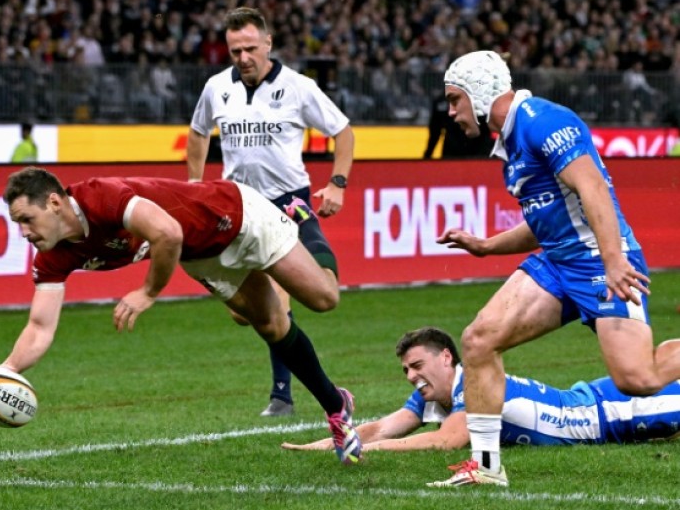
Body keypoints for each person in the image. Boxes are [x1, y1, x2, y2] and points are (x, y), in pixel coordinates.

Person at [0, 166, 363, 465]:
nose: (22, 232)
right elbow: (39, 327)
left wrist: (147, 292)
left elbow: (168, 233)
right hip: (203, 255)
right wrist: (5, 371)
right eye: (17, 223)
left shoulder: (101, 197)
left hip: (237, 216)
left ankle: (303, 219)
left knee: (324, 298)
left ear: (54, 203)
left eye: (26, 219)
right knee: (268, 325)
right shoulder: (52, 255)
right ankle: (336, 406)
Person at [429, 50, 680, 487]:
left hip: (598, 262)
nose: (451, 112)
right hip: (556, 260)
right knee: (479, 340)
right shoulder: (510, 138)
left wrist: (614, 260)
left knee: (638, 377)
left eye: (455, 99)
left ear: (480, 92)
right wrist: (487, 246)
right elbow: (548, 216)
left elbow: (593, 186)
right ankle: (487, 467)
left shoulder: (542, 119)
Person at [186, 7, 354, 417]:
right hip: (238, 208)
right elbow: (197, 133)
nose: (243, 58)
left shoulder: (298, 87)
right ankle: (287, 391)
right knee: (243, 314)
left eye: (249, 49)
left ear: (268, 44)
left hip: (288, 202)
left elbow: (343, 132)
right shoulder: (216, 88)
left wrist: (338, 183)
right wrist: (194, 186)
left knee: (291, 295)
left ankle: (282, 395)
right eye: (234, 51)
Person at [282, 327, 680, 454]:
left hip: (615, 412)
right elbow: (380, 428)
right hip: (594, 397)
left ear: (448, 359)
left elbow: (447, 441)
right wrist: (323, 445)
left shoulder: (470, 384)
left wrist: (368, 451)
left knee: (662, 364)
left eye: (418, 366)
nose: (410, 376)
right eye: (405, 369)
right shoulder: (432, 396)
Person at [422, 93, 492, 159]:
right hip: (453, 154)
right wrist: (428, 155)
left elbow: (488, 129)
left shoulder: (479, 99)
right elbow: (435, 132)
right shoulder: (441, 102)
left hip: (475, 154)